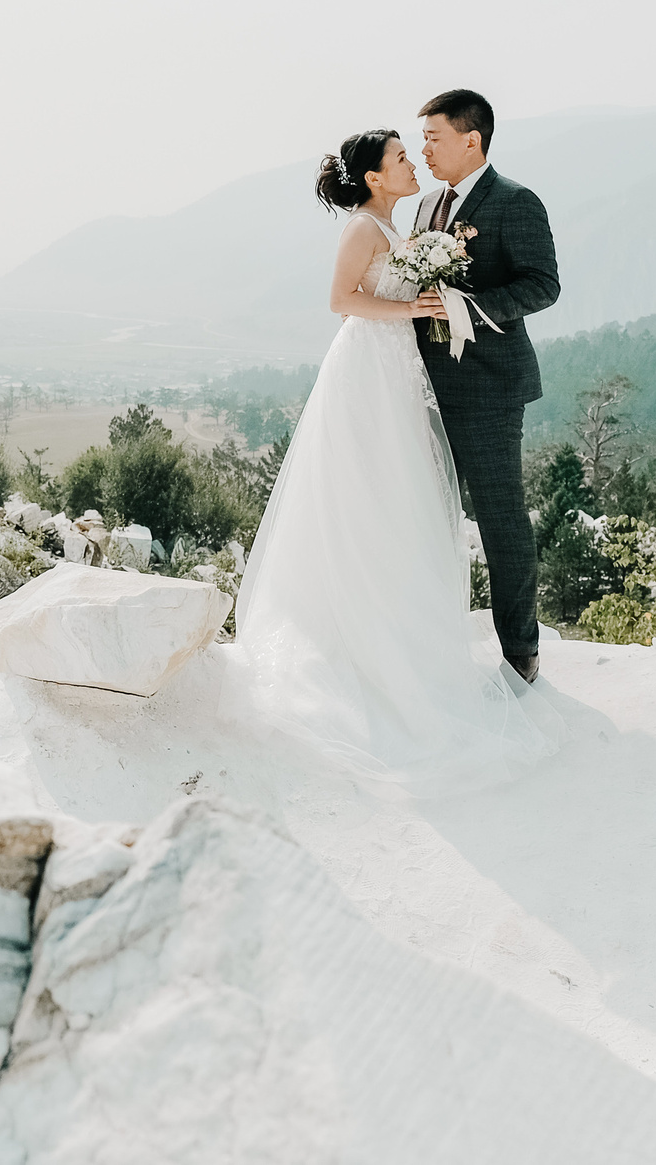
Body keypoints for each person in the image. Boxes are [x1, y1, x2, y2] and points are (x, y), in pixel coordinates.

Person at [234, 123, 557, 795]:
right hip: (371, 371)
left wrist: (437, 305)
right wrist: (412, 306)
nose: (417, 158)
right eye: (405, 154)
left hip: (414, 374)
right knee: (372, 498)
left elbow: (534, 284)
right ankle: (366, 649)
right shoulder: (369, 225)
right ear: (375, 177)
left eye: (423, 145)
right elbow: (341, 300)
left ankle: (445, 647)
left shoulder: (417, 216)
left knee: (415, 504)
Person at [411, 87, 560, 683]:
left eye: (433, 138)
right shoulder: (426, 206)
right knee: (425, 516)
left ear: (471, 139)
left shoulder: (515, 202)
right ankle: (429, 644)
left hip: (491, 388)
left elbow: (543, 285)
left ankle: (520, 653)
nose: (424, 150)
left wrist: (466, 308)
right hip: (425, 387)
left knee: (501, 520)